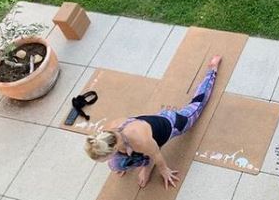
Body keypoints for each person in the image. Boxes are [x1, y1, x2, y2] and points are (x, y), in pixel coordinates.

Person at [84, 55, 221, 189]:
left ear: (113, 149)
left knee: (198, 104)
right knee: (115, 165)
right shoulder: (106, 132)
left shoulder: (139, 141)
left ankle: (211, 71)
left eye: (106, 157)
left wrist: (164, 171)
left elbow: (156, 154)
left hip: (171, 123)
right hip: (147, 130)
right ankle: (143, 157)